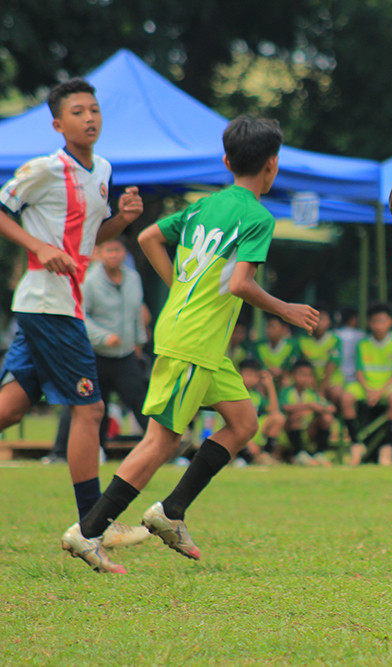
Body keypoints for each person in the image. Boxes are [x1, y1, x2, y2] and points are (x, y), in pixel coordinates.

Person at [60, 115, 319, 573]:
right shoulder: (257, 217)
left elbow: (148, 236)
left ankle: (171, 512)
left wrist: (180, 287)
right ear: (272, 165)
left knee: (243, 423)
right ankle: (88, 531)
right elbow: (240, 284)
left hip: (202, 343)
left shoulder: (204, 206)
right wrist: (287, 310)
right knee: (162, 440)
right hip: (193, 342)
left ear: (226, 162)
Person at [0, 78, 146, 548]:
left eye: (94, 110)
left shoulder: (102, 169)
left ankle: (93, 524)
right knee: (90, 409)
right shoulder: (44, 169)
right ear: (58, 125)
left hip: (58, 305)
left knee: (13, 407)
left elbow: (90, 239)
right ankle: (93, 526)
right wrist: (39, 246)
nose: (89, 118)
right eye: (78, 111)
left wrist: (123, 219)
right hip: (50, 305)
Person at [48, 238, 150, 461]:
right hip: (94, 355)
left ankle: (164, 449)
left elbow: (136, 313)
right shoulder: (90, 280)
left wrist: (138, 342)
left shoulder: (133, 278)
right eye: (108, 250)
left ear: (124, 253)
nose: (113, 255)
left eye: (117, 250)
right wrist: (104, 337)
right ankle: (59, 453)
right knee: (83, 402)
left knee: (141, 401)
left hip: (124, 356)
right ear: (100, 254)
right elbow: (81, 316)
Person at [340, 302, 392, 466]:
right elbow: (359, 371)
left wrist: (379, 392)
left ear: (391, 322)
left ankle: (387, 448)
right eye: (375, 321)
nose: (378, 326)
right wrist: (368, 390)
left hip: (387, 386)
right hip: (366, 386)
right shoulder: (363, 344)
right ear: (369, 323)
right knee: (346, 398)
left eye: (382, 321)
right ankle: (356, 443)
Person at [281, 359, 335, 467]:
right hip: (288, 431)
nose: (305, 378)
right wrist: (308, 406)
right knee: (296, 416)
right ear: (293, 375)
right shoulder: (286, 391)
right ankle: (298, 453)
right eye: (302, 374)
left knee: (327, 418)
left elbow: (331, 408)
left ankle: (319, 453)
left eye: (308, 375)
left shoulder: (312, 394)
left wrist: (320, 409)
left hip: (309, 430)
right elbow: (285, 407)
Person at [236, 358, 282, 465]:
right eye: (248, 375)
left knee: (278, 418)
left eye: (254, 375)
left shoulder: (256, 396)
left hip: (252, 432)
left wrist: (270, 386)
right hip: (237, 434)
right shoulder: (236, 394)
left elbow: (274, 411)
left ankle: (265, 455)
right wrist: (249, 442)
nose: (251, 379)